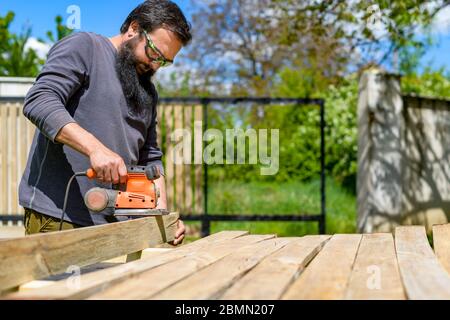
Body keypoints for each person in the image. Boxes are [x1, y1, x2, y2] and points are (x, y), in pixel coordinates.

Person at [18, 0, 191, 245]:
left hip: (117, 227)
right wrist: (95, 148)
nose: (155, 65)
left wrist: (161, 218)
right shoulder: (85, 47)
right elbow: (40, 100)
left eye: (164, 61)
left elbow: (149, 158)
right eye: (153, 52)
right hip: (60, 219)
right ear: (134, 28)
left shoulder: (147, 91)